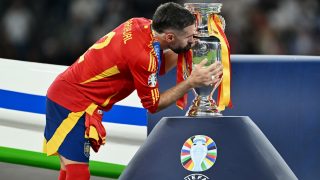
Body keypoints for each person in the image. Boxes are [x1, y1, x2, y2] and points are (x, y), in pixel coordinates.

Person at [43, 2, 223, 180]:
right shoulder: (143, 56)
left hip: (66, 93)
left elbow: (156, 65)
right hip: (73, 103)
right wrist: (191, 82)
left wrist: (187, 49)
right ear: (169, 37)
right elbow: (154, 104)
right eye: (190, 37)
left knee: (69, 169)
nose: (193, 40)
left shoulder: (139, 24)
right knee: (78, 172)